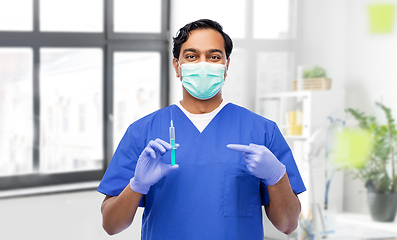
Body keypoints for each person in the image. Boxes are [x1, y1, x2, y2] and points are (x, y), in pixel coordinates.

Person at [98, 19, 306, 239]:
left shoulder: (263, 132)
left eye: (214, 56)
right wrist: (137, 185)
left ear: (226, 66)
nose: (203, 64)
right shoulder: (142, 132)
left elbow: (288, 224)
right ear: (177, 66)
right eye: (192, 56)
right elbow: (111, 225)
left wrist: (277, 177)